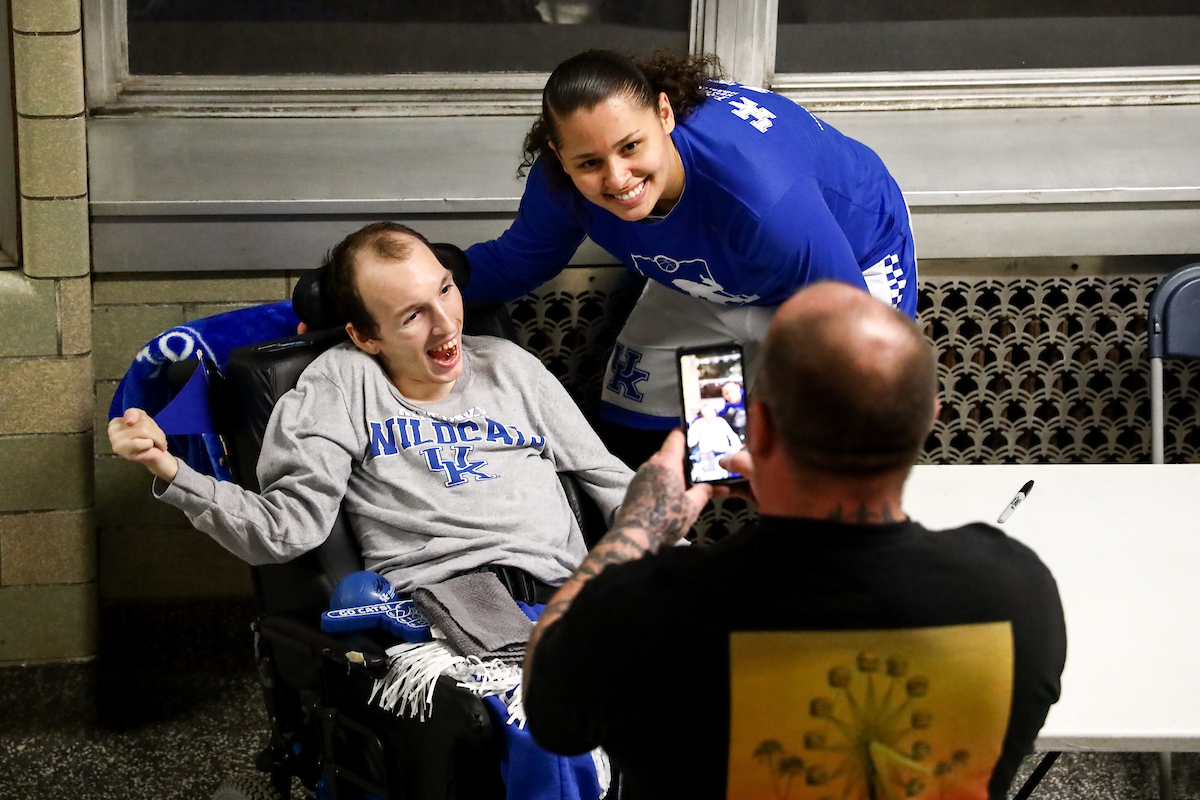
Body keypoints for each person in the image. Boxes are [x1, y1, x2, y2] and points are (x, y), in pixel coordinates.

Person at [521, 282, 1066, 800]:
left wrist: (639, 525)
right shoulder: (1017, 595)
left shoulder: (649, 613)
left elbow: (548, 701)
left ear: (758, 427)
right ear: (928, 421)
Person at [108, 222, 634, 596]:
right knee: (541, 727)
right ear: (365, 335)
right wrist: (170, 470)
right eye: (412, 316)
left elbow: (612, 482)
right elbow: (287, 528)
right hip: (442, 610)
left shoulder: (509, 365)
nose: (448, 324)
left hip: (565, 599)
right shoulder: (338, 386)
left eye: (446, 291)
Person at [463, 49, 918, 464]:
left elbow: (850, 339)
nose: (617, 179)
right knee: (647, 440)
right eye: (589, 163)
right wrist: (418, 283)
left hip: (844, 270)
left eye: (630, 147)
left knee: (831, 447)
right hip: (715, 277)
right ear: (559, 157)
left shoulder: (762, 196)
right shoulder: (562, 185)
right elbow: (514, 264)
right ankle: (696, 542)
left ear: (664, 115)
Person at [687, 402, 742, 481]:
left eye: (712, 412)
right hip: (707, 455)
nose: (711, 416)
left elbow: (732, 436)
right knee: (708, 476)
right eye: (707, 414)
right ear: (702, 416)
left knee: (728, 473)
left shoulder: (721, 421)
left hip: (724, 453)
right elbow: (691, 442)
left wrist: (736, 448)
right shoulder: (698, 424)